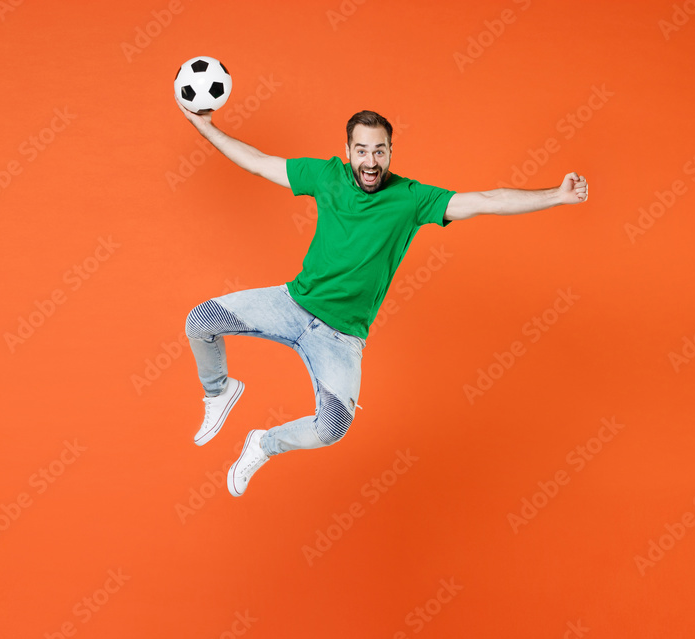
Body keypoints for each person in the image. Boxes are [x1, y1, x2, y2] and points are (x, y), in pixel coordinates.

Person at [178, 102, 589, 497]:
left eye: (379, 150)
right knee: (200, 321)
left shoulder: (411, 199)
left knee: (332, 427)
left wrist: (556, 195)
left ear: (391, 152)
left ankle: (264, 444)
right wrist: (205, 125)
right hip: (292, 304)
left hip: (340, 338)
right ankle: (219, 392)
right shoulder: (325, 176)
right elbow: (257, 160)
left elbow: (487, 201)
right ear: (347, 152)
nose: (370, 161)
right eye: (361, 150)